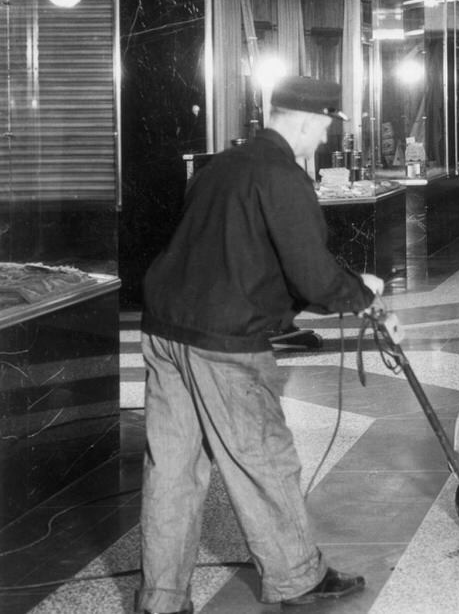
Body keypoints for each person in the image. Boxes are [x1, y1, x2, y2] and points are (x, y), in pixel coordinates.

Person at [137, 76, 401, 613]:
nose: (325, 137)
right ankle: (296, 578)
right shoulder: (283, 176)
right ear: (307, 120)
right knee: (264, 458)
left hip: (165, 329)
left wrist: (345, 286)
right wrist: (363, 296)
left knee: (172, 470)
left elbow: (240, 252)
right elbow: (311, 275)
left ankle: (161, 599)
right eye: (325, 126)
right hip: (224, 343)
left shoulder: (221, 165)